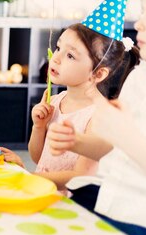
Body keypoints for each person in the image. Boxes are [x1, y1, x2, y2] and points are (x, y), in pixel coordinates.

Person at [47, 0, 146, 235]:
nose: (140, 22)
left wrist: (129, 138)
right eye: (143, 10)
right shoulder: (142, 75)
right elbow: (115, 147)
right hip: (110, 201)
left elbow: (131, 143)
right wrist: (78, 143)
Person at [28, 21, 139, 192]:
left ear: (98, 73)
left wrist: (26, 177)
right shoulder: (55, 100)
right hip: (40, 190)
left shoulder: (98, 117)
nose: (55, 58)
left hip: (68, 204)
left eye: (70, 55)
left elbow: (79, 177)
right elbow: (38, 159)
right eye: (58, 48)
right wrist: (39, 127)